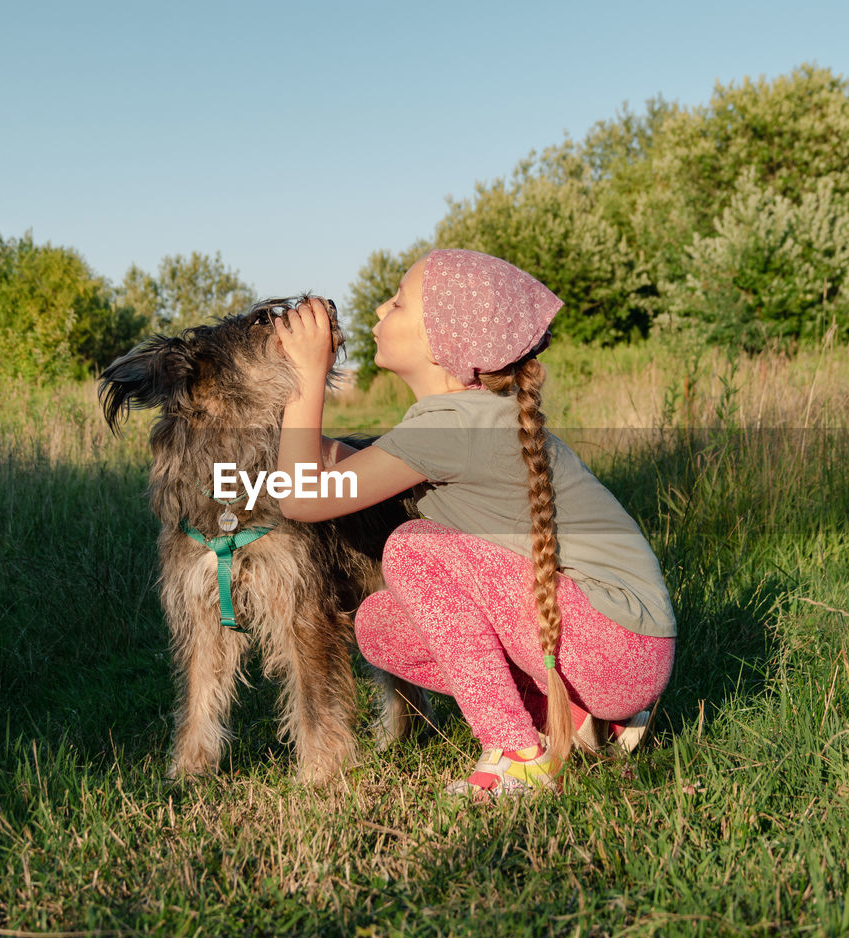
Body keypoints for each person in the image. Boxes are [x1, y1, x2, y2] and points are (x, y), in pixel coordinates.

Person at [271, 249, 675, 797]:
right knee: (381, 624)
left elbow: (302, 497)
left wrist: (306, 376)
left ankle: (518, 753)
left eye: (398, 302)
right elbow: (327, 466)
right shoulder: (456, 422)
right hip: (609, 647)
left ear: (443, 346)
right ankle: (575, 718)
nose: (380, 310)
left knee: (414, 549)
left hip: (617, 643)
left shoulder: (449, 431)